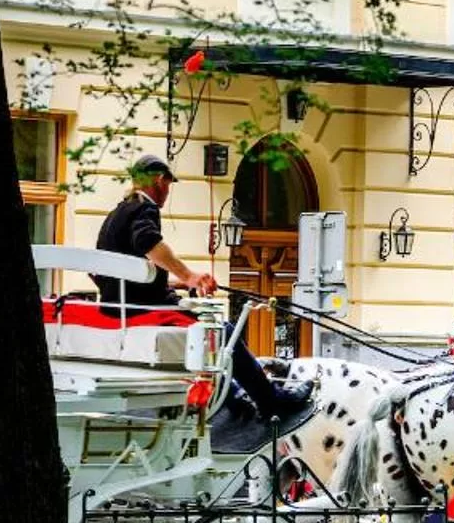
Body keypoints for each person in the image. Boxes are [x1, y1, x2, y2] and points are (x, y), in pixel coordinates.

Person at [95, 155, 313, 449]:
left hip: (119, 307)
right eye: (169, 186)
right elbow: (147, 243)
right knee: (223, 331)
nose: (168, 193)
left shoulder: (116, 214)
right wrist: (189, 276)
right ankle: (271, 401)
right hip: (143, 311)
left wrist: (174, 283)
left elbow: (126, 271)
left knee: (211, 330)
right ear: (160, 181)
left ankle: (235, 395)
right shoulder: (143, 207)